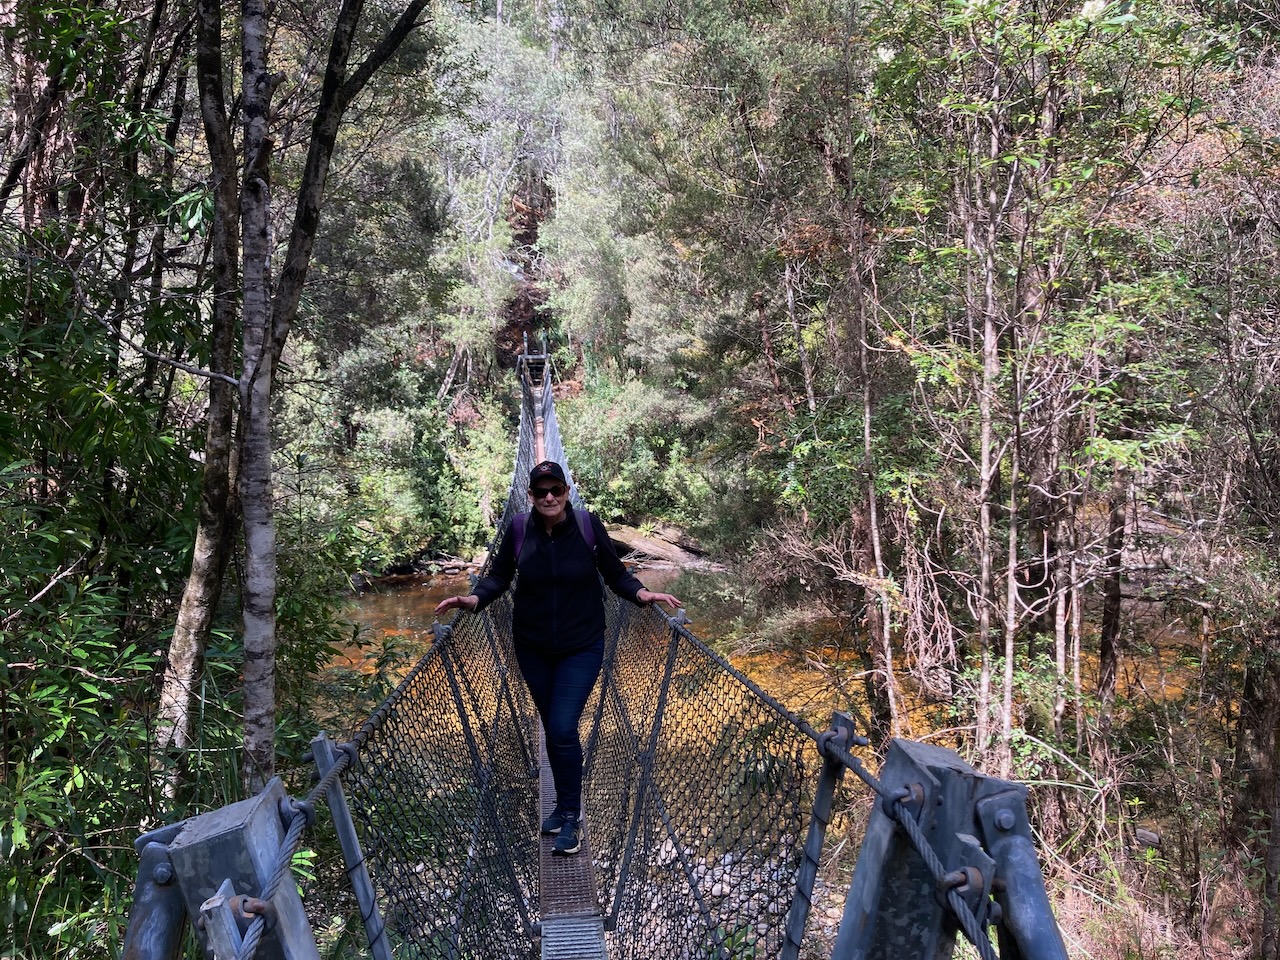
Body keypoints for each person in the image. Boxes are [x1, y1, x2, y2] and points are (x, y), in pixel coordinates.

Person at [434, 461, 681, 856]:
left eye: (556, 490)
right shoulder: (519, 529)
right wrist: (474, 599)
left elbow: (615, 574)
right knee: (553, 727)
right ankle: (564, 806)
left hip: (582, 645)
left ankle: (569, 815)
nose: (549, 497)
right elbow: (498, 577)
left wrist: (642, 594)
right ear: (530, 495)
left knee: (563, 726)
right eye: (541, 491)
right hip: (532, 647)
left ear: (566, 492)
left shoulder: (587, 526)